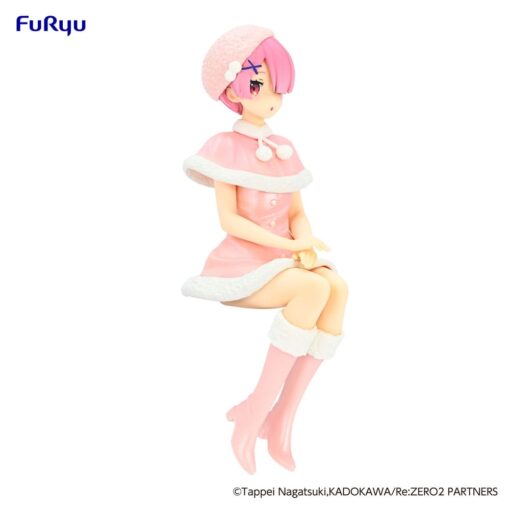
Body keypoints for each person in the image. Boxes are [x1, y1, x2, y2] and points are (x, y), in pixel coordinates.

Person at [181, 25, 349, 474]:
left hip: (285, 257)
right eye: (259, 85)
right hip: (241, 264)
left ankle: (281, 419)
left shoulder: (284, 148)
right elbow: (230, 221)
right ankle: (255, 412)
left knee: (337, 287)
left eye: (278, 86)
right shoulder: (223, 147)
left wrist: (304, 241)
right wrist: (288, 244)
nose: (271, 97)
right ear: (232, 90)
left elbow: (298, 211)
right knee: (313, 290)